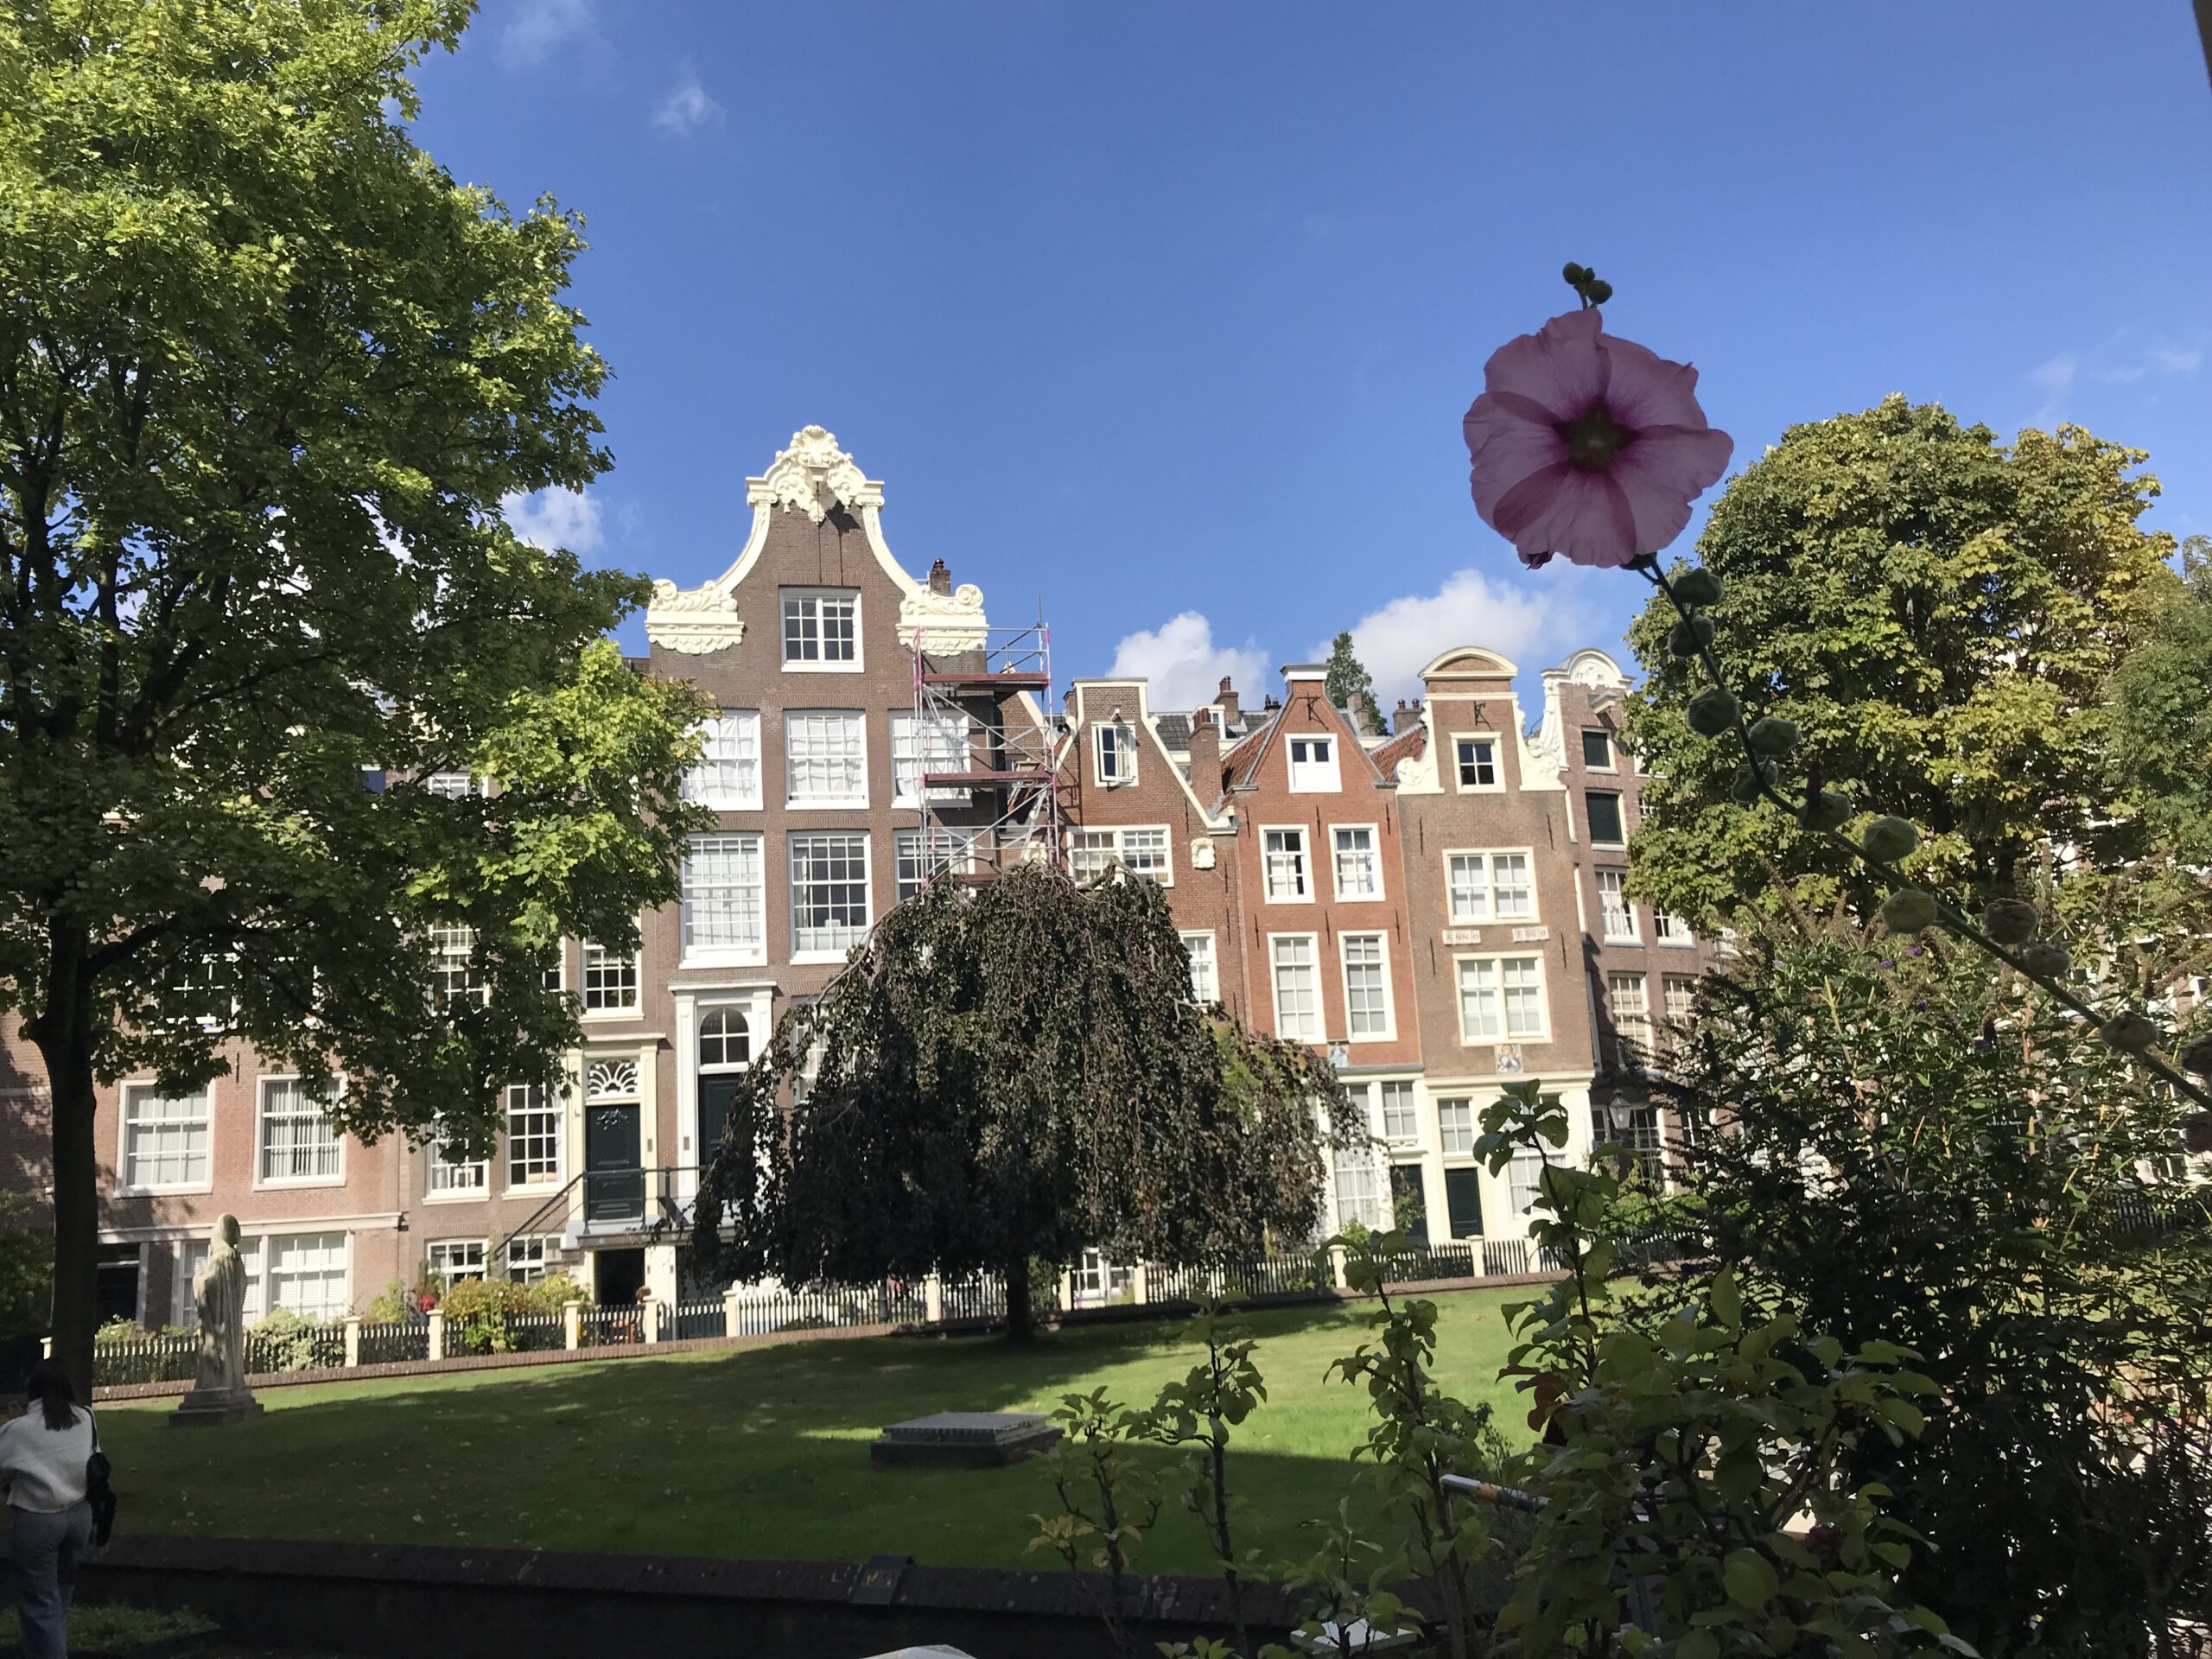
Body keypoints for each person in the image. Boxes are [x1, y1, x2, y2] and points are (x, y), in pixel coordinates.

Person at [0, 1360, 97, 1659]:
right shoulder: (86, 1418)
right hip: (80, 1517)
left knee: (40, 1607)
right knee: (59, 1600)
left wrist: (12, 1424)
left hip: (40, 1521)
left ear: (32, 1391)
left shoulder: (19, 1430)